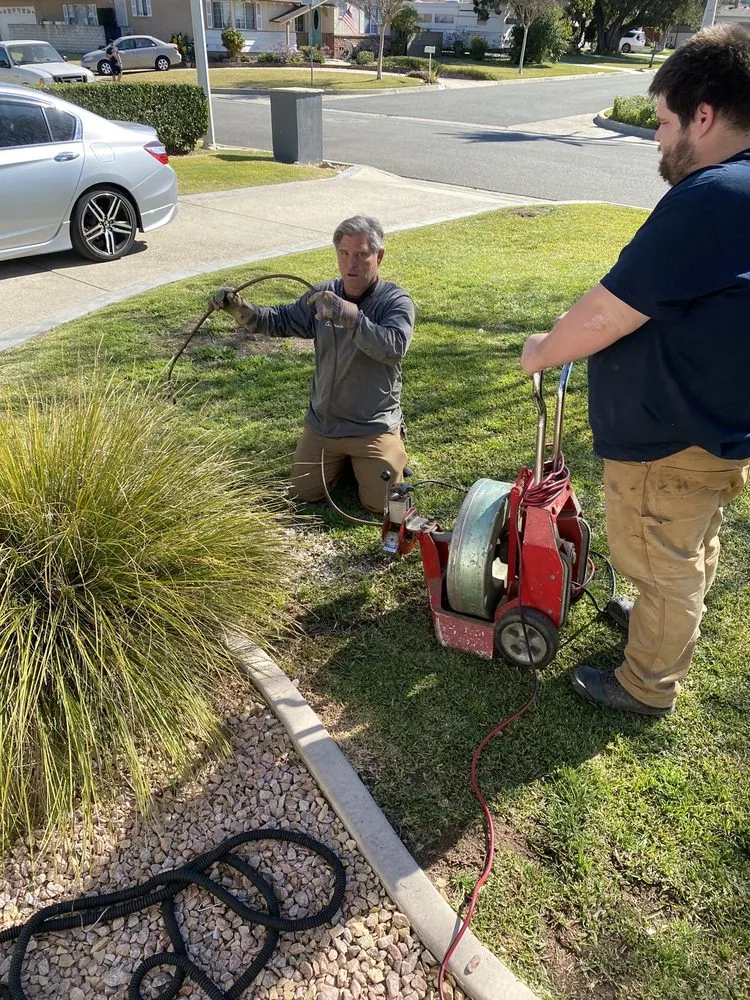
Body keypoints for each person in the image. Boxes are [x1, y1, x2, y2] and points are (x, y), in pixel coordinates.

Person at [520, 26, 750, 717]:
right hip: (711, 431)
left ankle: (647, 684)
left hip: (669, 443)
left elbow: (605, 315)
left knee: (664, 563)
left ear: (703, 116)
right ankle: (658, 621)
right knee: (687, 549)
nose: (656, 137)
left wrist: (542, 350)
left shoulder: (711, 198)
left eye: (665, 121)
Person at [210, 215, 415, 513]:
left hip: (373, 425)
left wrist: (348, 314)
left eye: (361, 254)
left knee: (381, 505)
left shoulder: (394, 301)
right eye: (344, 253)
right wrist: (240, 308)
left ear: (379, 256)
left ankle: (391, 443)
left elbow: (393, 347)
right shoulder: (322, 295)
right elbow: (280, 320)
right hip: (325, 425)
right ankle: (353, 464)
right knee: (303, 492)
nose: (351, 264)